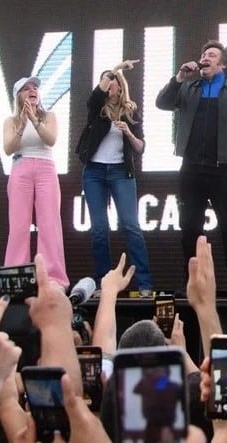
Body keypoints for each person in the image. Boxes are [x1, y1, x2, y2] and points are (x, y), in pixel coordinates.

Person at [155, 40, 227, 297]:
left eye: (211, 54)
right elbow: (162, 102)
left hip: (224, 170)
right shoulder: (189, 87)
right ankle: (192, 282)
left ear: (223, 64)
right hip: (191, 168)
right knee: (190, 228)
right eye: (203, 53)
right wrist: (179, 77)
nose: (205, 57)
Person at [75, 60, 153, 293]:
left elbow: (140, 148)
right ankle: (103, 282)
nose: (109, 86)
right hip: (95, 172)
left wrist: (128, 132)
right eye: (106, 82)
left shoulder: (131, 111)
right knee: (99, 228)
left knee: (131, 226)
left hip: (121, 172)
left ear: (120, 86)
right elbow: (93, 97)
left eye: (113, 82)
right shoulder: (97, 109)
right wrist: (116, 67)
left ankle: (145, 283)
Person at [2, 76, 69, 288]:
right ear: (18, 96)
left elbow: (51, 139)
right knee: (19, 226)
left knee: (49, 223)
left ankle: (53, 277)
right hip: (20, 167)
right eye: (26, 89)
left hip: (45, 167)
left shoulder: (49, 116)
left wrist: (34, 119)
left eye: (35, 88)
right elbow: (8, 148)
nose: (32, 91)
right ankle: (15, 275)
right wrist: (22, 124)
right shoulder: (11, 121)